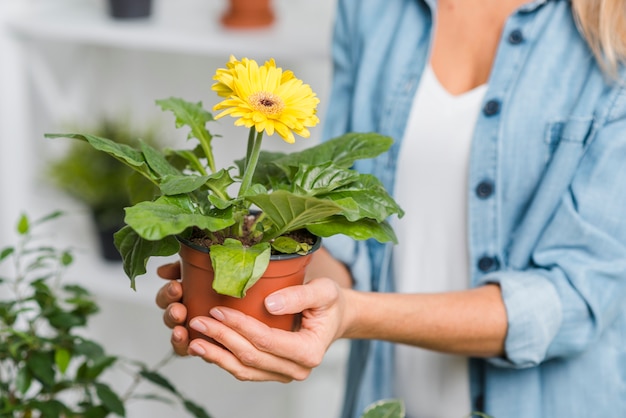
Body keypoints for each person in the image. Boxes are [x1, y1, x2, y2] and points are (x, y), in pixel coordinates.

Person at [155, 0, 626, 417]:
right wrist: (253, 284)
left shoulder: (612, 25)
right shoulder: (372, 8)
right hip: (380, 399)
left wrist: (353, 314)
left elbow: (576, 297)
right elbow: (343, 230)